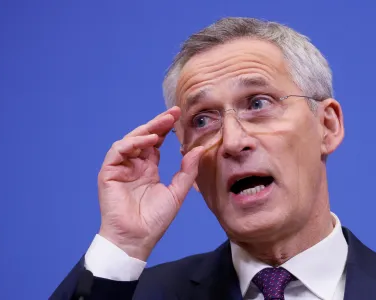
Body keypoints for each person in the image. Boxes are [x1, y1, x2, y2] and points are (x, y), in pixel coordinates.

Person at [50, 17, 376, 300]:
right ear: (189, 163)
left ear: (327, 126)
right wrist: (123, 244)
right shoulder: (135, 294)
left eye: (259, 103)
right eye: (203, 120)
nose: (232, 142)